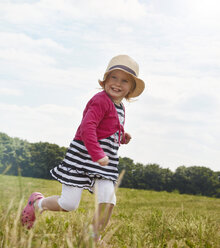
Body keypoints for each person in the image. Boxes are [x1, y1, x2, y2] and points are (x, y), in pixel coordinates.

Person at [21, 55, 145, 240]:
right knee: (69, 204)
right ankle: (37, 204)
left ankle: (92, 239)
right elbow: (88, 127)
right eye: (114, 77)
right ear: (105, 79)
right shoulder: (100, 100)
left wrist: (121, 136)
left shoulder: (119, 106)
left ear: (131, 88)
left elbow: (108, 127)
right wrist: (96, 154)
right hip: (83, 158)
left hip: (103, 163)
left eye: (125, 80)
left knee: (108, 200)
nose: (118, 83)